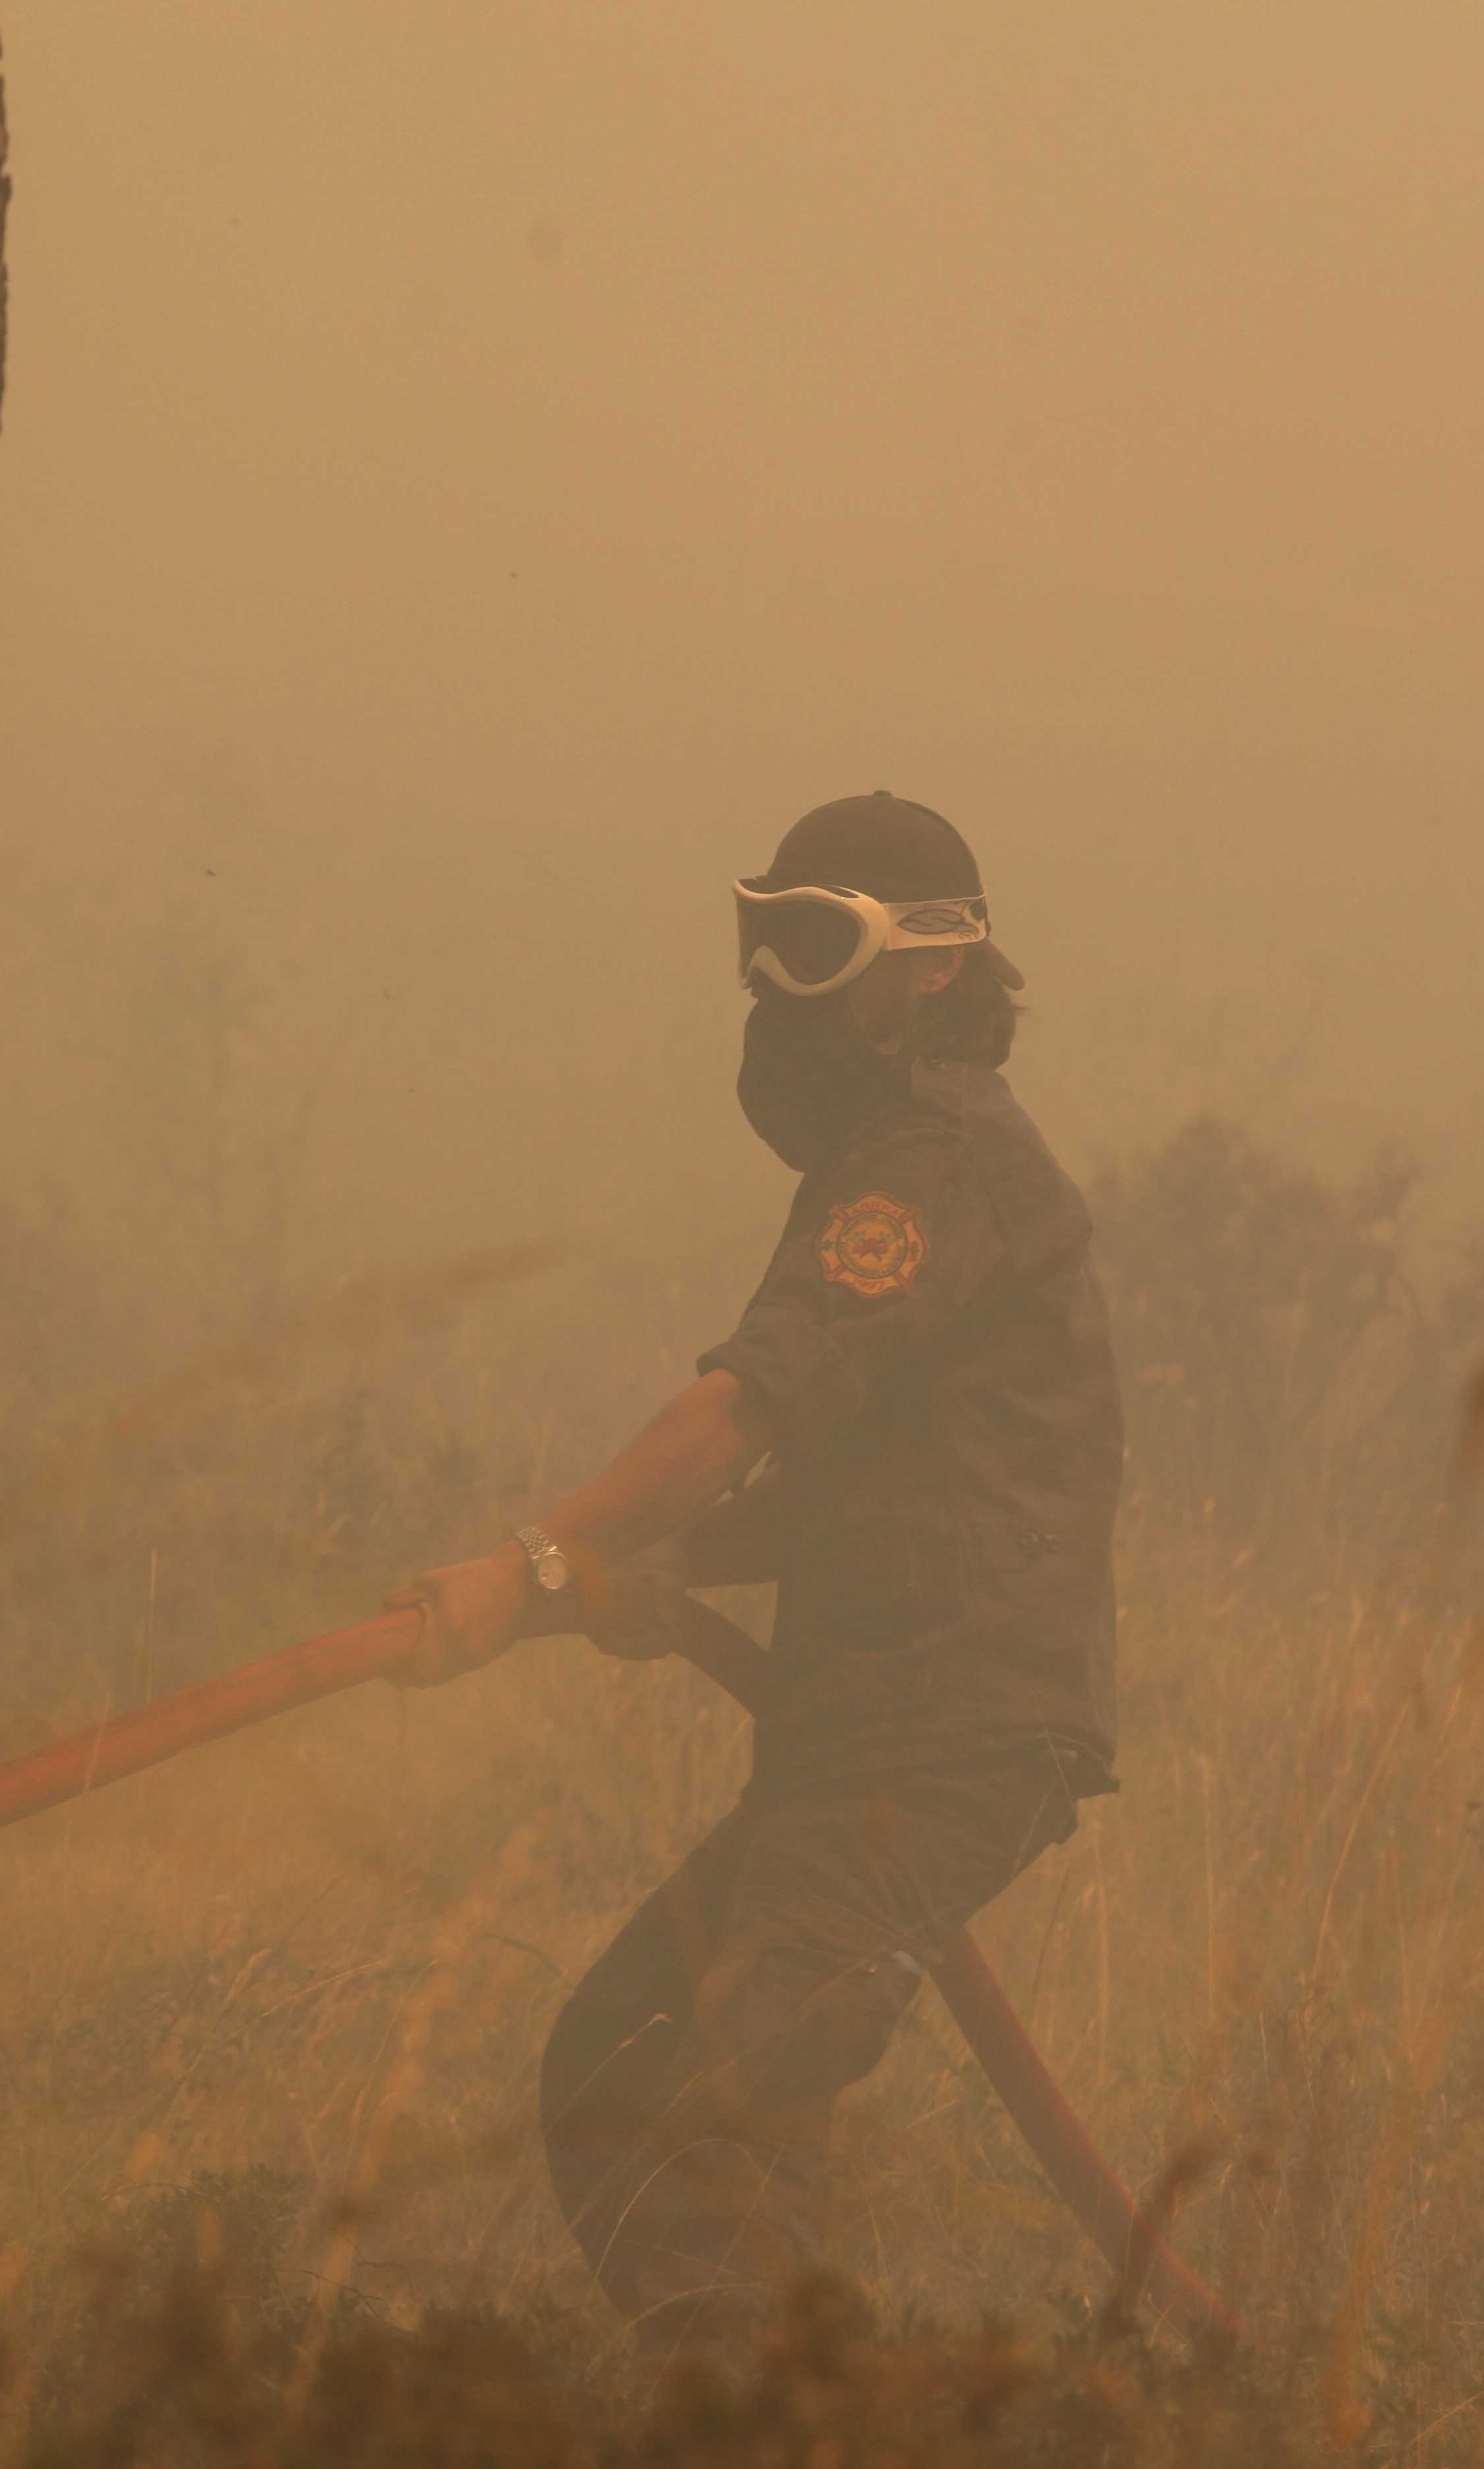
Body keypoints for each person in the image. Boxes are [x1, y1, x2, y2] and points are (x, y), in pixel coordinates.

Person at [382, 791, 1124, 2373]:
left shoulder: (931, 1163)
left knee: (703, 2102)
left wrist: (541, 1562)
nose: (778, 989)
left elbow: (745, 1409)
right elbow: (818, 1496)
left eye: (817, 945)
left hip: (939, 1748)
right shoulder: (891, 1155)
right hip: (856, 1741)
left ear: (932, 966)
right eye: (764, 941)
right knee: (623, 2080)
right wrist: (627, 1571)